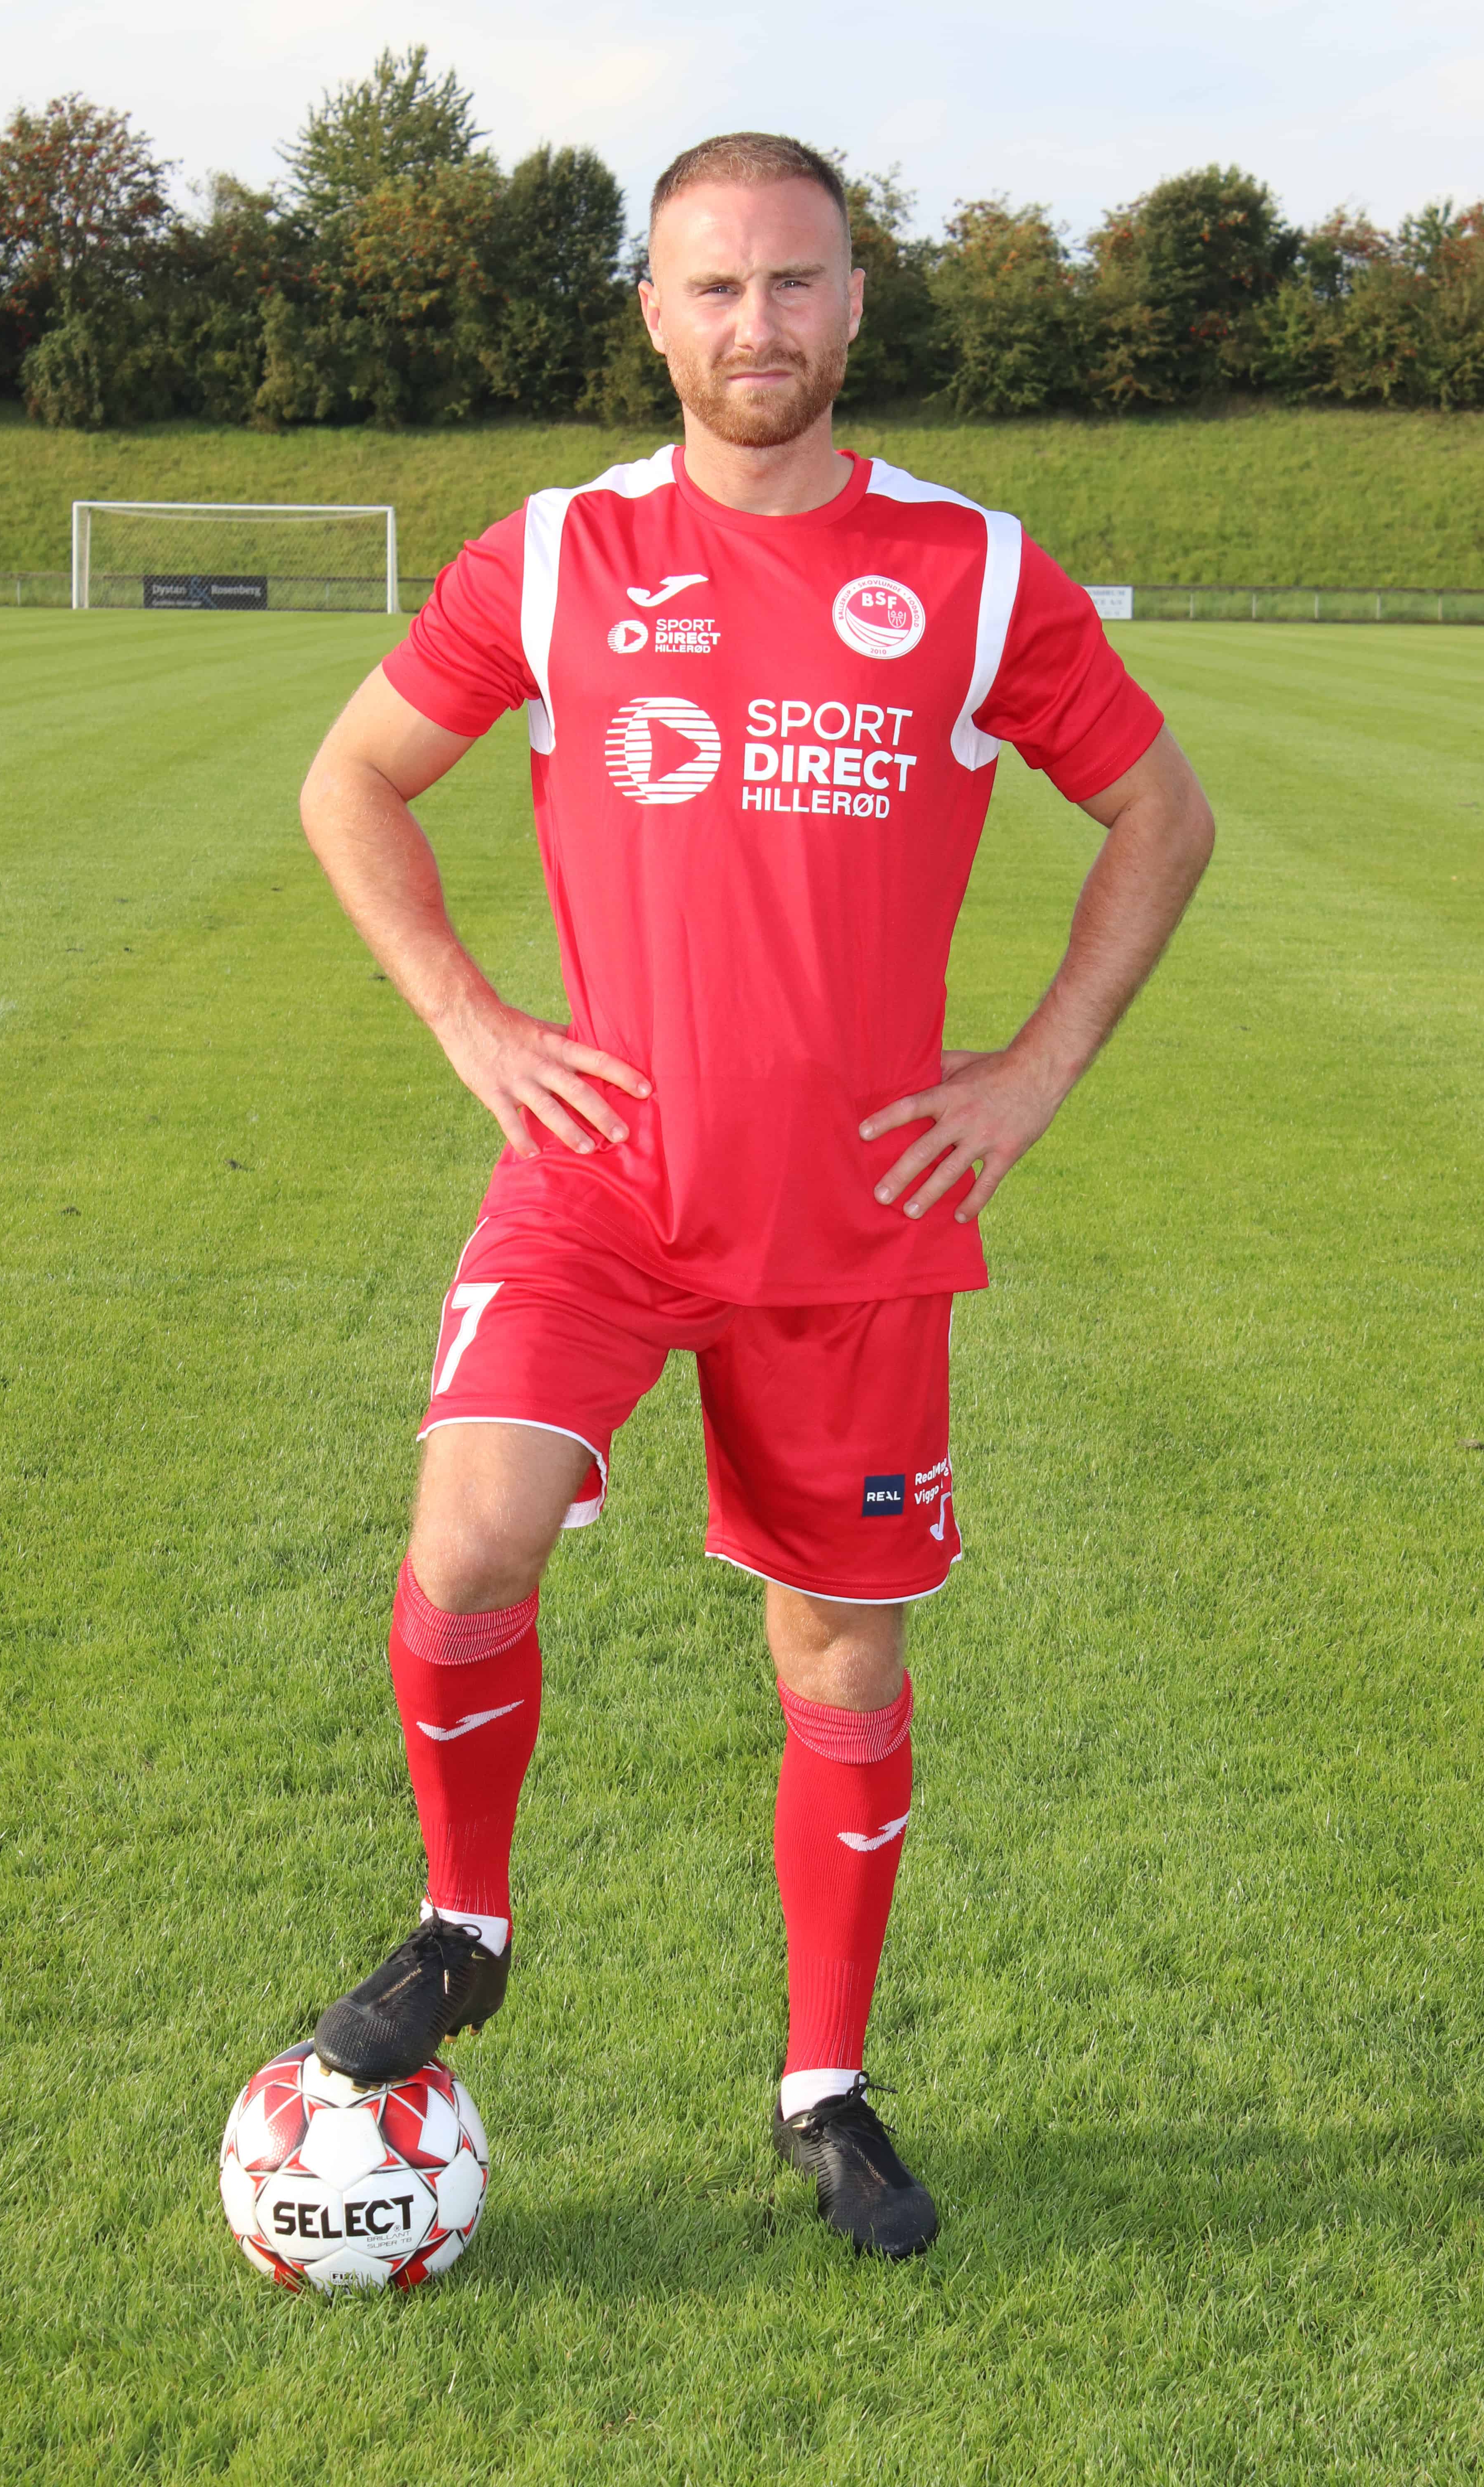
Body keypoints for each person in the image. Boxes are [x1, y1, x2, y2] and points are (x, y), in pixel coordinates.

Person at [298, 130, 1214, 2260]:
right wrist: (469, 1018)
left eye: (796, 281)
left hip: (856, 1217)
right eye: (713, 287)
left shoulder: (973, 572)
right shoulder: (556, 555)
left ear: (855, 300)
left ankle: (826, 2088)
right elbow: (353, 777)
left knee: (841, 1666)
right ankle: (462, 1924)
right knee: (467, 1537)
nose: (757, 324)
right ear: (652, 312)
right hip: (603, 1179)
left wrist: (1031, 1074)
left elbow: (1161, 814)